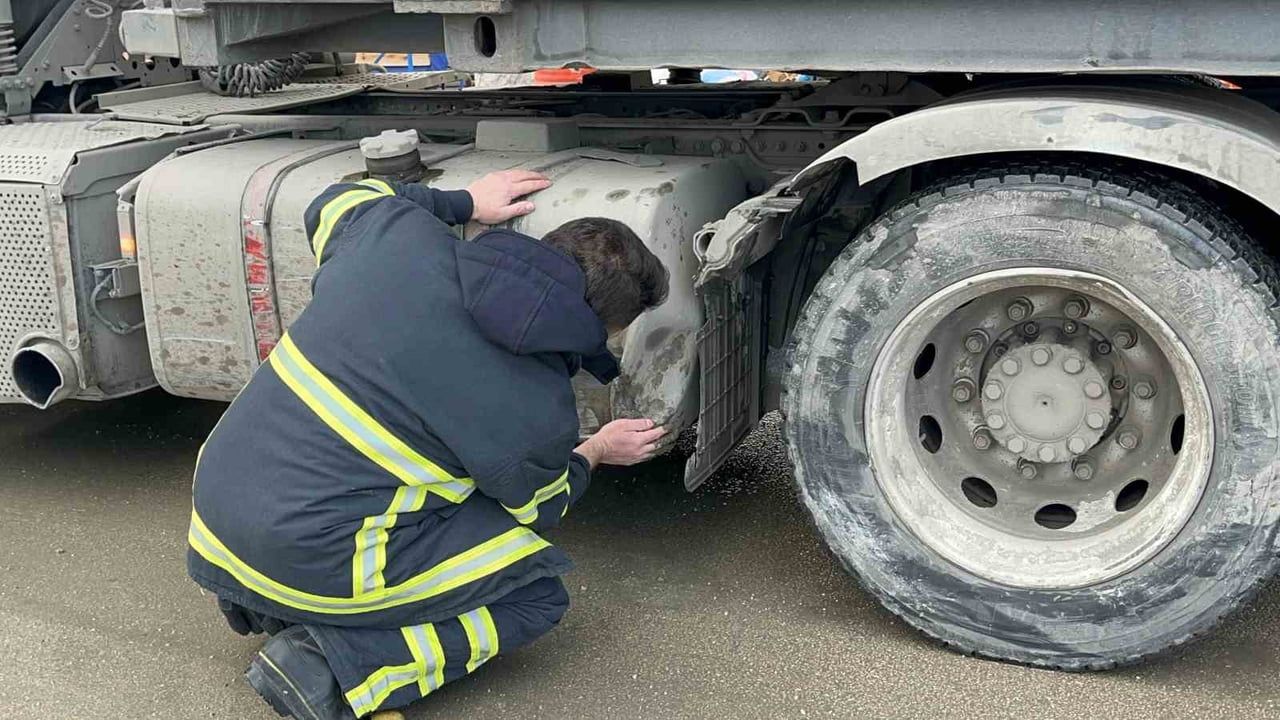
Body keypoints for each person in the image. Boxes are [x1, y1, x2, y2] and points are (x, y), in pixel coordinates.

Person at [187, 168, 671, 719]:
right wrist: (599, 449)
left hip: (214, 516)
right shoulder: (536, 405)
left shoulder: (397, 236)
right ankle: (333, 664)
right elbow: (540, 506)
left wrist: (464, 201)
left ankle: (264, 605)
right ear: (601, 327)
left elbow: (337, 197)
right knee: (533, 591)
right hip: (307, 554)